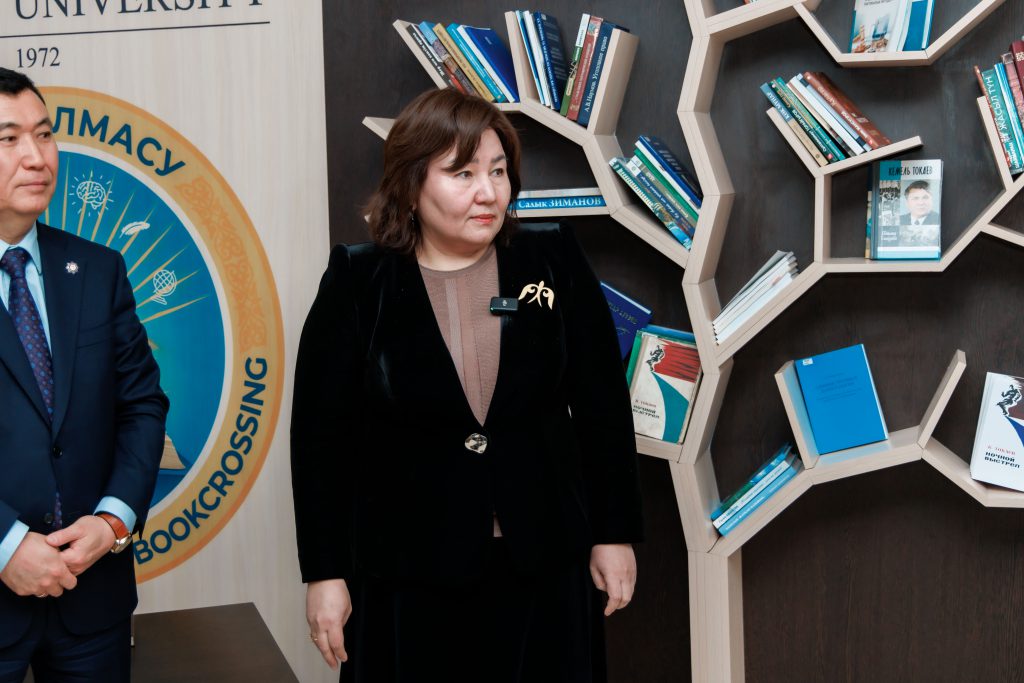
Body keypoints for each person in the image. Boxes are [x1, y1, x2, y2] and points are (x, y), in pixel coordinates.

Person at [291, 87, 643, 683]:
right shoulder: (359, 279)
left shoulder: (551, 257)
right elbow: (319, 440)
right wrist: (325, 573)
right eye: (463, 174)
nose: (489, 192)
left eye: (498, 171)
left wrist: (615, 533)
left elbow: (602, 405)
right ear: (411, 185)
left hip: (544, 556)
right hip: (407, 569)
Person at [0, 69, 168, 682]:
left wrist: (113, 520)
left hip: (92, 599)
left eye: (44, 134)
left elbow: (142, 405)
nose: (35, 156)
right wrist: (6, 544)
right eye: (8, 138)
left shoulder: (98, 268)